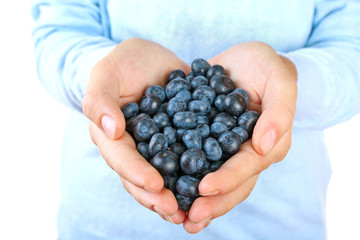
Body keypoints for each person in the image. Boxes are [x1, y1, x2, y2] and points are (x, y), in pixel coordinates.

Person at [31, 0, 360, 239]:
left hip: (278, 223)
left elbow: (352, 50)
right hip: (104, 223)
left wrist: (287, 79)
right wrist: (100, 77)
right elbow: (59, 28)